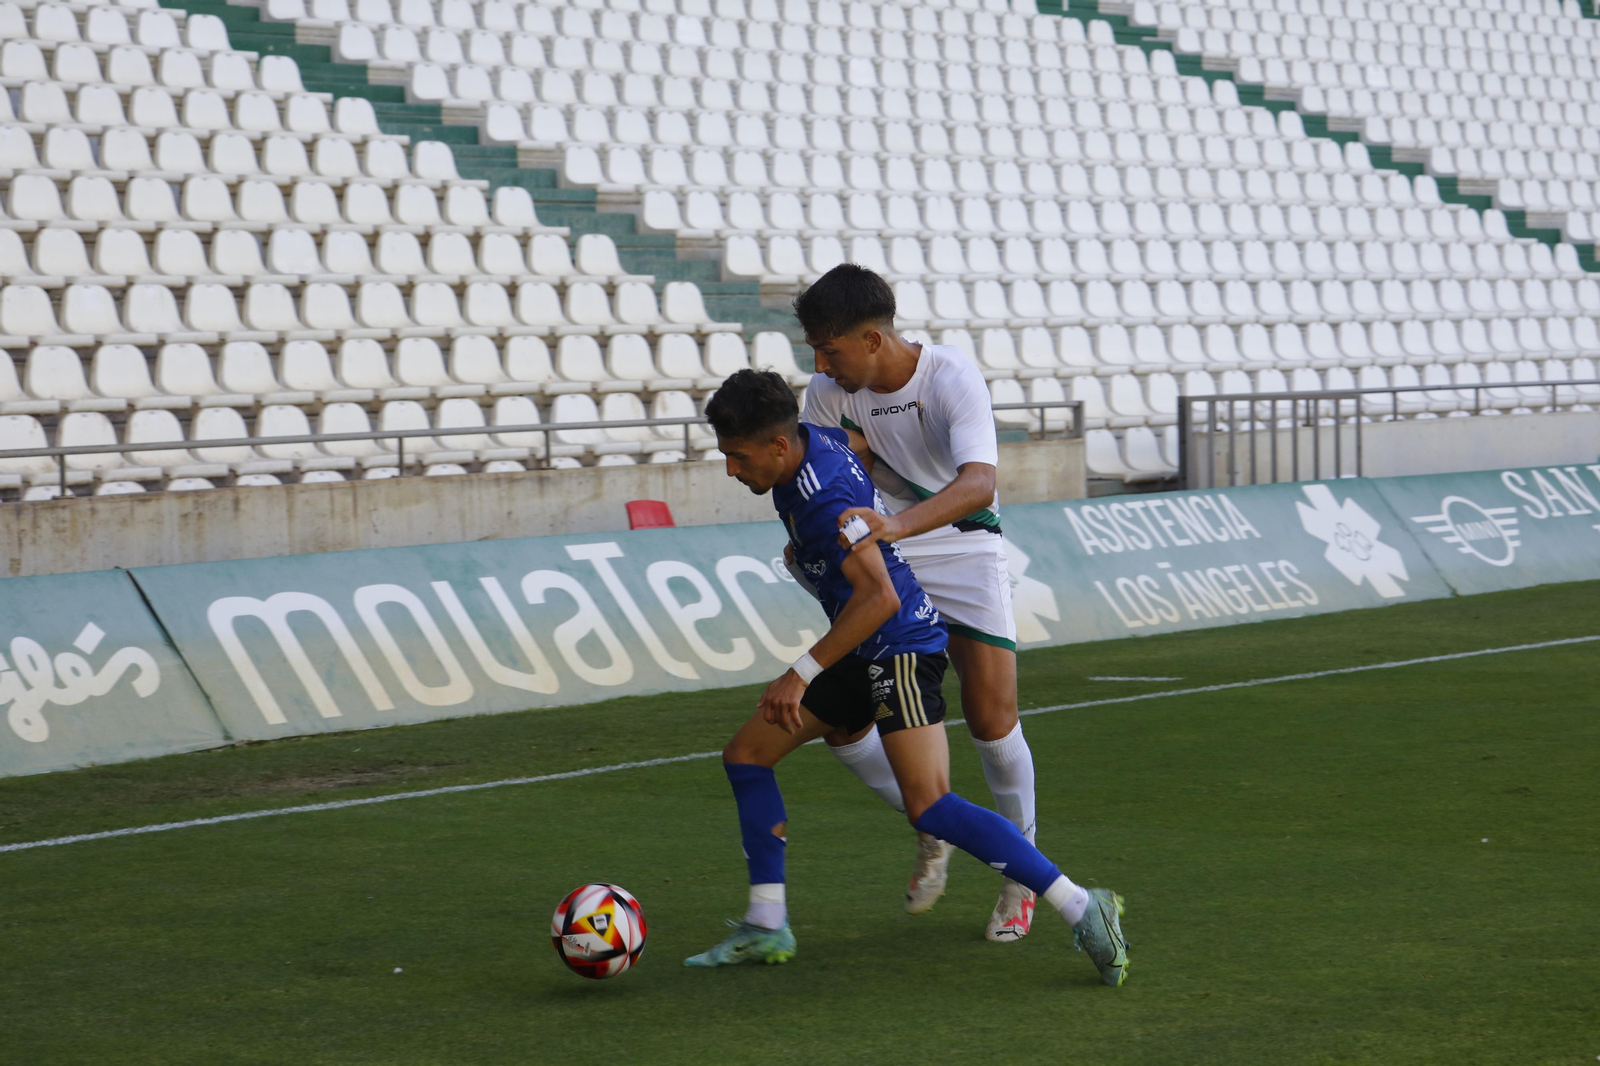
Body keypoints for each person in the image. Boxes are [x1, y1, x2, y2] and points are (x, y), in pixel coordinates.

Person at [682, 369, 1129, 987]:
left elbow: (881, 599)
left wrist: (798, 672)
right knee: (747, 756)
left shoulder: (822, 498)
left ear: (778, 448)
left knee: (931, 802)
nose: (731, 469)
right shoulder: (810, 444)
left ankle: (1082, 904)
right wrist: (811, 565)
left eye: (737, 456)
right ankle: (766, 923)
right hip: (858, 645)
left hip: (899, 646)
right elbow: (853, 455)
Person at [793, 264, 1045, 941]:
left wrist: (893, 523)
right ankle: (932, 824)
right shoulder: (827, 392)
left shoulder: (949, 376)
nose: (819, 364)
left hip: (960, 544)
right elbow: (823, 476)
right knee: (848, 721)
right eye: (813, 350)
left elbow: (980, 484)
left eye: (830, 348)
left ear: (872, 339)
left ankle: (1021, 875)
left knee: (991, 721)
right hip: (889, 554)